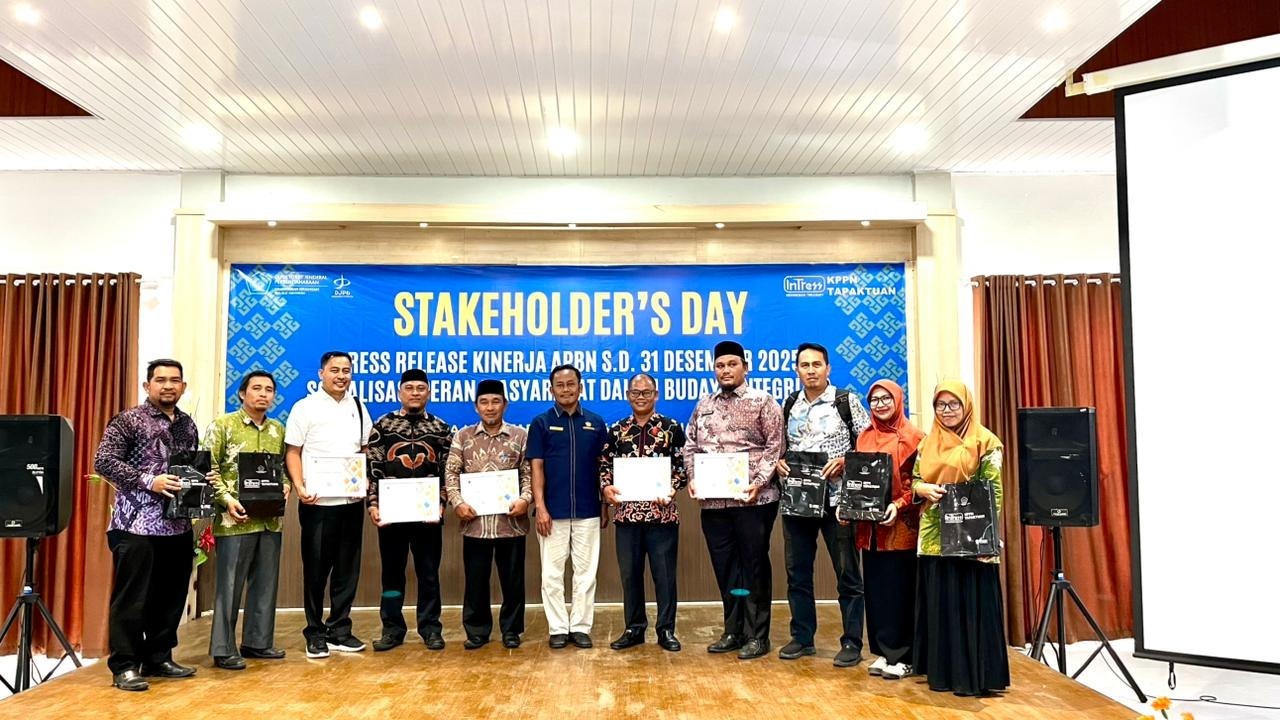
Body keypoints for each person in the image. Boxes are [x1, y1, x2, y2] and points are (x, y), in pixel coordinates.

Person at [94, 358, 201, 691]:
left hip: (177, 525)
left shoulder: (188, 425)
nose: (168, 386)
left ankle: (158, 658)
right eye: (160, 380)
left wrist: (202, 480)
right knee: (133, 598)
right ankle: (125, 665)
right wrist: (148, 480)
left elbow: (187, 469)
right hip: (135, 525)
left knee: (170, 597)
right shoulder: (128, 420)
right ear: (147, 385)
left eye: (174, 380)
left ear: (183, 386)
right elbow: (104, 461)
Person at [683, 340, 784, 661]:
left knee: (753, 566)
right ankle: (733, 630)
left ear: (745, 367)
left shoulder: (763, 402)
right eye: (720, 365)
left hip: (753, 500)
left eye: (732, 364)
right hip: (714, 502)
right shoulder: (704, 404)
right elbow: (690, 445)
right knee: (725, 567)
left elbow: (775, 446)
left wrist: (759, 481)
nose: (725, 370)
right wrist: (693, 477)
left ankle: (757, 635)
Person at [911, 380, 1010, 696]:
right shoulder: (927, 443)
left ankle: (976, 677)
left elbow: (994, 490)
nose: (947, 410)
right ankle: (943, 675)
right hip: (935, 535)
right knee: (942, 603)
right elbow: (915, 478)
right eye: (940, 405)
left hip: (972, 536)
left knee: (971, 602)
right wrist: (920, 488)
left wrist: (986, 536)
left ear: (966, 405)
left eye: (953, 404)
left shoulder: (986, 441)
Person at [775, 342, 870, 667]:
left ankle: (852, 641)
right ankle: (802, 638)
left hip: (837, 501)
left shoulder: (845, 401)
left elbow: (868, 445)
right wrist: (780, 463)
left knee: (847, 574)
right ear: (797, 370)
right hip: (798, 501)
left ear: (828, 368)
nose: (811, 370)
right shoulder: (789, 403)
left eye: (817, 364)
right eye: (805, 365)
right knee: (797, 574)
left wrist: (845, 461)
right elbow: (782, 448)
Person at [285, 350, 373, 659]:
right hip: (317, 503)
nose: (341, 376)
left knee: (347, 569)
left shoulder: (359, 407)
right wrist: (299, 486)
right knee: (316, 569)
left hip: (350, 501)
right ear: (321, 373)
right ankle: (314, 632)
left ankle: (340, 630)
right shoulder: (304, 407)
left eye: (346, 370)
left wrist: (364, 480)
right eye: (334, 370)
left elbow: (364, 450)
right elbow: (293, 452)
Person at [204, 370, 289, 670]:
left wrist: (287, 487)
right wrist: (226, 500)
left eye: (269, 389)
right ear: (242, 393)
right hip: (234, 519)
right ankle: (223, 648)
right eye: (256, 388)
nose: (263, 394)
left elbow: (284, 469)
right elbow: (208, 469)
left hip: (269, 520)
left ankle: (258, 642)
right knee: (229, 585)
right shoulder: (223, 425)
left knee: (265, 583)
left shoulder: (278, 430)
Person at [365, 369, 453, 652]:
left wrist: (441, 503)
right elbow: (373, 468)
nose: (415, 393)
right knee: (392, 574)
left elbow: (447, 472)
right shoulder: (383, 425)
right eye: (410, 388)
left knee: (429, 573)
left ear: (429, 392)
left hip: (428, 516)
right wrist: (373, 504)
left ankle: (430, 628)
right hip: (391, 515)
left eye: (420, 388)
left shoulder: (441, 428)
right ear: (399, 392)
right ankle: (392, 628)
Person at [600, 373, 687, 652]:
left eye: (646, 392)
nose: (641, 397)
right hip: (626, 516)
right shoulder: (617, 430)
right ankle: (634, 628)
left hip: (662, 515)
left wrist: (672, 488)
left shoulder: (671, 428)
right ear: (628, 395)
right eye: (635, 393)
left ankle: (666, 630)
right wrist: (606, 487)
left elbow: (683, 466)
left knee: (665, 576)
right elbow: (604, 465)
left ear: (656, 395)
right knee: (630, 576)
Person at [444, 379, 533, 650]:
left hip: (511, 523)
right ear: (476, 406)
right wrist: (458, 503)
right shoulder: (463, 437)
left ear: (505, 405)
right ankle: (477, 631)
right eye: (484, 402)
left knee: (513, 581)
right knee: (476, 581)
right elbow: (451, 473)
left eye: (496, 402)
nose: (490, 407)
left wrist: (525, 499)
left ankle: (511, 630)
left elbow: (529, 473)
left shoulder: (520, 436)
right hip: (475, 524)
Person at [528, 364, 609, 649]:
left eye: (571, 384)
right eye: (560, 385)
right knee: (551, 575)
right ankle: (558, 628)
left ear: (580, 387)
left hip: (588, 510)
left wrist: (604, 504)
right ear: (551, 389)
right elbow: (536, 468)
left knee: (585, 574)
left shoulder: (596, 423)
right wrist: (540, 507)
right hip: (552, 512)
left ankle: (581, 627)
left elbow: (603, 467)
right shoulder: (541, 423)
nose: (566, 389)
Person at [852, 379, 924, 680]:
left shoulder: (915, 437)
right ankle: (883, 651)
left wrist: (899, 504)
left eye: (886, 398)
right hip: (870, 530)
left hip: (901, 527)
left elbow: (919, 482)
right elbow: (858, 479)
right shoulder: (864, 437)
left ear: (898, 400)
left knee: (900, 591)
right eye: (874, 400)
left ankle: (904, 656)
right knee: (877, 591)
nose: (880, 404)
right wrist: (848, 507)